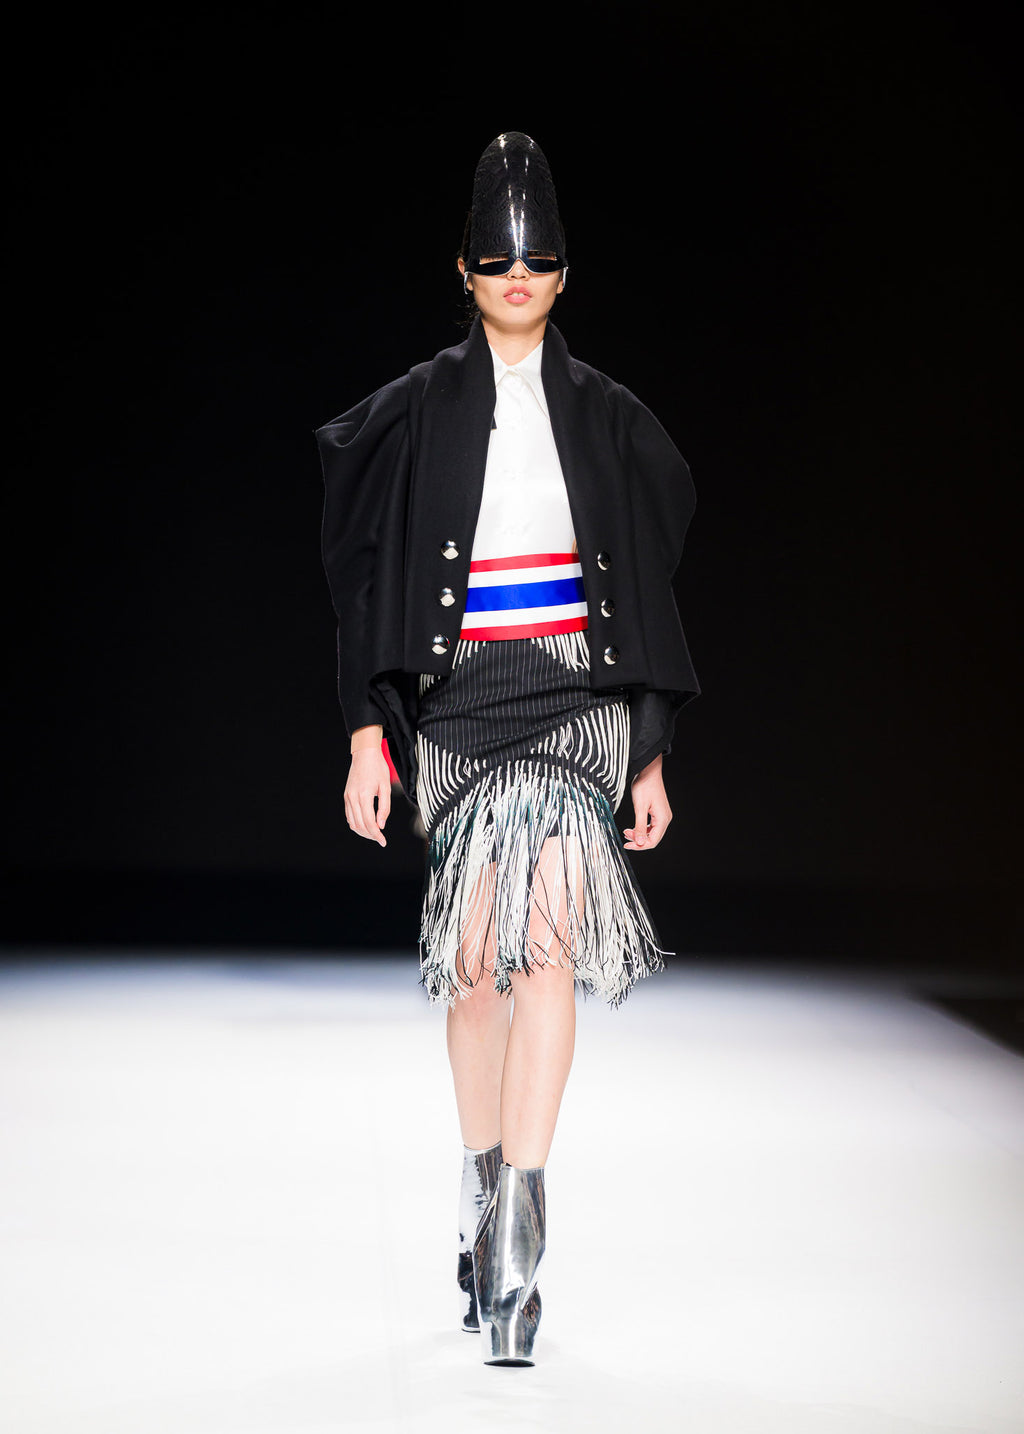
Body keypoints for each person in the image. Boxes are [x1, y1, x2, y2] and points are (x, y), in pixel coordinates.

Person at [316, 131, 699, 1366]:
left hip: (572, 703)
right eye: (496, 261)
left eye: (535, 262)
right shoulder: (415, 408)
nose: (517, 278)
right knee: (476, 960)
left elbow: (646, 577)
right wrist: (367, 727)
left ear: (563, 273)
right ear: (466, 271)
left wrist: (646, 748)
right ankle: (481, 1186)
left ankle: (523, 1238)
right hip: (460, 704)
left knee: (544, 951)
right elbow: (356, 568)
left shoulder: (609, 418)